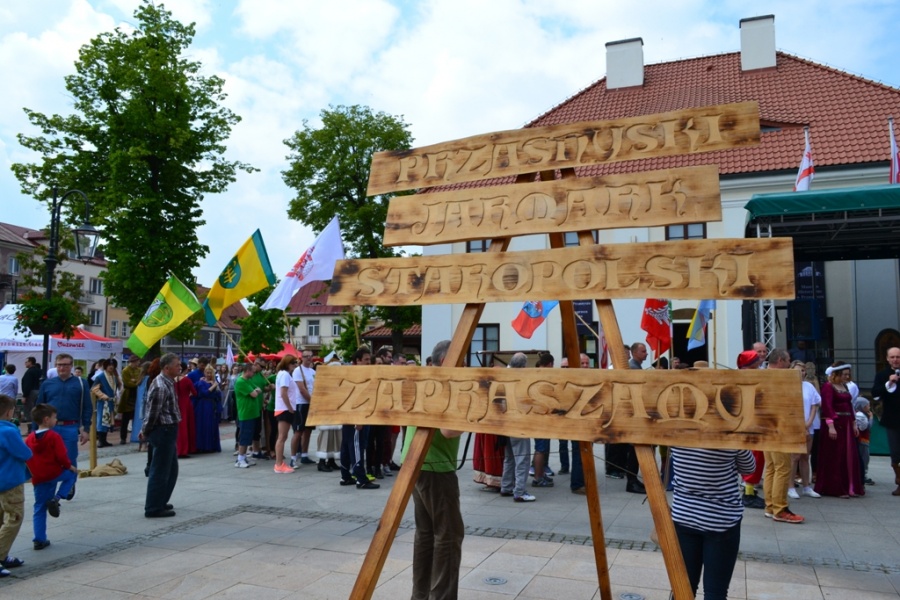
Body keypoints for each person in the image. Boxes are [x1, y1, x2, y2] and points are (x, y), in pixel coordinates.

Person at [403, 339, 464, 600]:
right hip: (435, 466)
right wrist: (479, 416)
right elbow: (448, 430)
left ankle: (420, 596)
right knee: (448, 536)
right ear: (444, 361)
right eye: (460, 359)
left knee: (426, 535)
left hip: (416, 461)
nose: (464, 365)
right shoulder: (444, 384)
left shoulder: (426, 381)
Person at [670, 445, 755, 600]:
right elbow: (749, 468)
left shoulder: (676, 434)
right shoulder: (731, 437)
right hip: (721, 519)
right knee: (715, 592)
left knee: (683, 587)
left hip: (684, 515)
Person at [25, 404, 78, 551]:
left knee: (39, 507)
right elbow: (62, 456)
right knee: (71, 476)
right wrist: (69, 466)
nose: (56, 420)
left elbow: (26, 456)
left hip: (38, 477)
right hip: (54, 472)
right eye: (55, 418)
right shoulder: (54, 436)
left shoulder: (29, 438)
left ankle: (39, 539)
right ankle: (57, 498)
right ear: (46, 419)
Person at [762, 349, 805, 523]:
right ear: (780, 360)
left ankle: (770, 506)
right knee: (782, 468)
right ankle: (779, 509)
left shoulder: (762, 375)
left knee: (772, 467)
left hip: (765, 427)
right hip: (778, 428)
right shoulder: (781, 377)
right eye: (787, 360)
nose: (789, 363)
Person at [36, 352, 92, 479]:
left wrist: (86, 428)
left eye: (65, 365)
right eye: (59, 365)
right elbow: (39, 407)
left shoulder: (81, 383)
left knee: (70, 459)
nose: (62, 368)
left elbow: (87, 407)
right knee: (49, 460)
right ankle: (51, 488)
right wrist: (36, 429)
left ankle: (68, 486)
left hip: (70, 426)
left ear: (71, 366)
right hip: (50, 428)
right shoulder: (47, 384)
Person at [140, 353, 182, 518]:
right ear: (166, 368)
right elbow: (152, 413)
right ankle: (153, 507)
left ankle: (160, 500)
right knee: (160, 471)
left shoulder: (168, 382)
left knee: (171, 470)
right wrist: (145, 431)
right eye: (177, 365)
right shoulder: (160, 386)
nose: (180, 367)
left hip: (169, 429)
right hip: (163, 430)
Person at [815, 362, 864, 498]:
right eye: (844, 374)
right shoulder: (828, 387)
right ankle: (835, 487)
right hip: (835, 423)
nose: (847, 377)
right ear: (836, 374)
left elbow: (849, 406)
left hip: (847, 423)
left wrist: (854, 423)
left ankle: (850, 486)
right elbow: (827, 407)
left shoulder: (845, 386)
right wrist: (831, 426)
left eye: (848, 374)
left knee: (848, 454)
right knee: (836, 455)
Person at [0, 394, 31, 576]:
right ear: (9, 412)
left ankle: (3, 555)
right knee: (14, 518)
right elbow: (24, 453)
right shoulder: (8, 431)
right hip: (10, 482)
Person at [340, 346, 379, 489]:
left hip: (350, 416)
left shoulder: (355, 374)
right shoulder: (356, 376)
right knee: (357, 446)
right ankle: (361, 479)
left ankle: (345, 476)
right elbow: (355, 399)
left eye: (369, 360)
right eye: (366, 360)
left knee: (347, 446)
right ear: (358, 360)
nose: (369, 362)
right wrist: (358, 418)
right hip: (356, 416)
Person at [500, 352, 535, 502]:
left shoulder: (503, 375)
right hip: (518, 422)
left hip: (505, 422)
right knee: (522, 458)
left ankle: (506, 486)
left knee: (509, 457)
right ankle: (519, 491)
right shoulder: (520, 379)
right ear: (522, 366)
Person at [735, 350, 766, 509]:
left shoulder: (754, 375)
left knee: (757, 457)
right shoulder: (746, 378)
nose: (760, 360)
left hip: (754, 422)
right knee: (753, 456)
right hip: (749, 423)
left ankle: (751, 491)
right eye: (756, 359)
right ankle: (748, 494)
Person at [788, 361, 821, 500]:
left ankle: (806, 486)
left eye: (802, 371)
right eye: (797, 370)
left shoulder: (808, 386)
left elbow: (815, 405)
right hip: (794, 427)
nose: (801, 373)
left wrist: (808, 423)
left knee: (805, 456)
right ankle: (790, 486)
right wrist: (799, 425)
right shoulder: (788, 387)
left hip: (809, 426)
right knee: (794, 457)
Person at [872, 347, 900, 495]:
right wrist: (888, 384)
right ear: (888, 359)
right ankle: (899, 480)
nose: (895, 360)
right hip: (892, 419)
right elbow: (875, 395)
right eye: (892, 357)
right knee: (895, 453)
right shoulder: (882, 375)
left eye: (898, 357)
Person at [233, 363, 263, 468]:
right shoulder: (241, 381)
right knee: (244, 436)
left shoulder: (248, 380)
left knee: (249, 436)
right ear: (247, 371)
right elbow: (254, 394)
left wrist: (256, 391)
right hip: (246, 413)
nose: (254, 374)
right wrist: (255, 391)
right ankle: (240, 459)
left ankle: (244, 457)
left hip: (252, 413)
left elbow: (259, 389)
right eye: (253, 372)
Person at [290, 349, 316, 467]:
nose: (309, 358)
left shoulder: (312, 371)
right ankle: (293, 457)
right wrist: (311, 401)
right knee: (298, 431)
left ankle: (304, 455)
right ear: (302, 358)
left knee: (308, 430)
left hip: (311, 403)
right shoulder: (297, 371)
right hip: (301, 403)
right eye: (306, 356)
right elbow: (301, 389)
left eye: (310, 356)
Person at [273, 355, 299, 473]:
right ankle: (279, 464)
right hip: (284, 409)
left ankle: (279, 463)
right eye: (293, 363)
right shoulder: (284, 375)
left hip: (284, 408)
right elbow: (284, 393)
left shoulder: (284, 374)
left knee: (282, 437)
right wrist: (290, 408)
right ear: (287, 364)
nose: (295, 364)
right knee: (282, 437)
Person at [91, 358, 121, 448]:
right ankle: (100, 441)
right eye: (109, 365)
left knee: (108, 421)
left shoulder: (114, 377)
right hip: (103, 402)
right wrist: (103, 396)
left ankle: (104, 440)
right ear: (105, 366)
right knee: (102, 421)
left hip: (111, 402)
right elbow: (94, 389)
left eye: (113, 365)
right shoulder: (100, 377)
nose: (111, 367)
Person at [193, 366, 222, 453]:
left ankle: (211, 446)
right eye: (207, 372)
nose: (209, 374)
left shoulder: (214, 382)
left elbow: (219, 395)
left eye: (210, 373)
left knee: (212, 425)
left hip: (212, 405)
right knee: (204, 425)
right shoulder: (201, 382)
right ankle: (203, 446)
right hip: (203, 406)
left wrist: (216, 387)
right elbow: (204, 393)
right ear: (204, 373)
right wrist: (213, 386)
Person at [174, 362, 197, 458]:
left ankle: (178, 449)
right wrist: (188, 394)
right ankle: (185, 449)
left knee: (179, 427)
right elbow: (194, 392)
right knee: (186, 427)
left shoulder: (172, 380)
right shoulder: (187, 380)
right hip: (186, 404)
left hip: (176, 403)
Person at [119, 355, 143, 444]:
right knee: (125, 419)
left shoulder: (139, 370)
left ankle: (135, 436)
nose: (138, 363)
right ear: (133, 362)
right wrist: (136, 382)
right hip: (128, 396)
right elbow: (128, 383)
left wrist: (135, 381)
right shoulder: (125, 371)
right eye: (137, 361)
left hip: (137, 395)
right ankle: (123, 438)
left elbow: (140, 380)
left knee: (136, 417)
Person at [854, 397, 874, 486]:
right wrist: (871, 418)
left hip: (861, 440)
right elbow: (866, 427)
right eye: (867, 405)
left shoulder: (857, 414)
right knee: (864, 458)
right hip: (862, 440)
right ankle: (863, 475)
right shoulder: (860, 415)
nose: (869, 407)